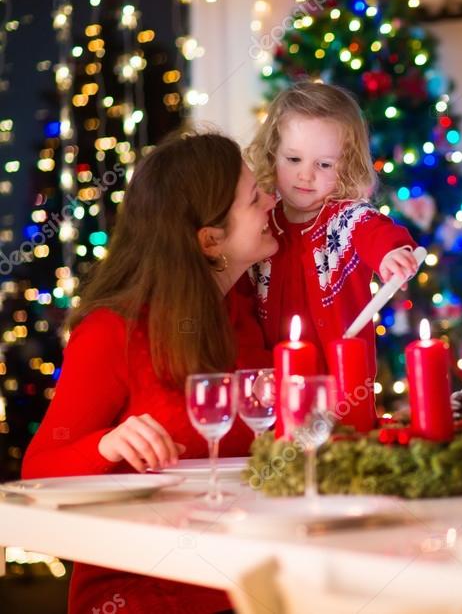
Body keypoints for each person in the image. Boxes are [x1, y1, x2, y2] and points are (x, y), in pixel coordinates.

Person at [23, 133, 277, 612]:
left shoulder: (246, 314)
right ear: (210, 240)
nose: (271, 200)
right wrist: (105, 444)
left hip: (245, 582)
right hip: (147, 593)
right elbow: (37, 470)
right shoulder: (113, 332)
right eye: (254, 198)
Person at [244, 82, 418, 379]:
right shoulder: (261, 222)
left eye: (324, 164)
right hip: (272, 385)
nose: (306, 174)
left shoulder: (346, 219)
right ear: (273, 154)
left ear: (347, 167)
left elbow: (375, 231)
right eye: (293, 159)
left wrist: (392, 253)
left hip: (343, 386)